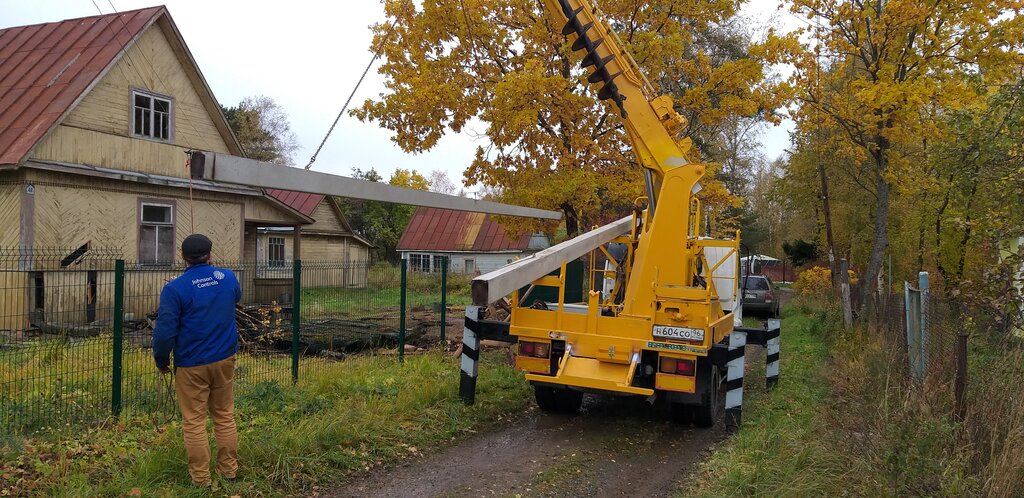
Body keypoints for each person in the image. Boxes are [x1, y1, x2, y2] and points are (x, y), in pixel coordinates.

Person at [153, 234, 242, 486]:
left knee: (194, 421)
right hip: (224, 358)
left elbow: (164, 332)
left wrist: (161, 360)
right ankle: (229, 471)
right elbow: (235, 298)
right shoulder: (228, 277)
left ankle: (201, 480)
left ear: (183, 257)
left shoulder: (175, 289)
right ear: (210, 254)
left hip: (192, 364)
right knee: (224, 415)